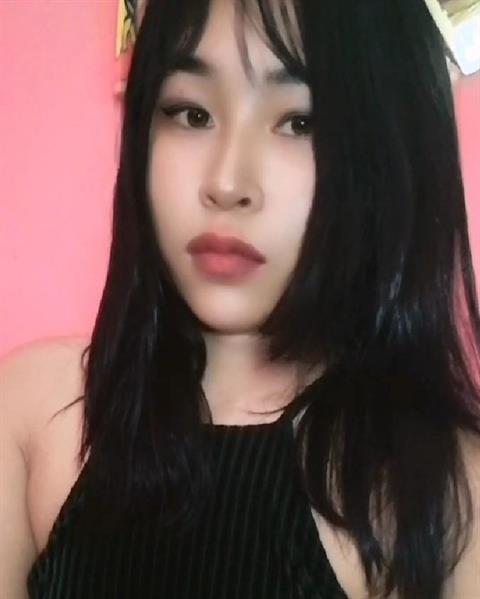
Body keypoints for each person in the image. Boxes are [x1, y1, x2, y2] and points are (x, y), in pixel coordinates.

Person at [1, 0, 479, 597]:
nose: (226, 183)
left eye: (300, 122)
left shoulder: (454, 492)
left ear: (394, 152)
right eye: (192, 113)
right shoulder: (35, 416)